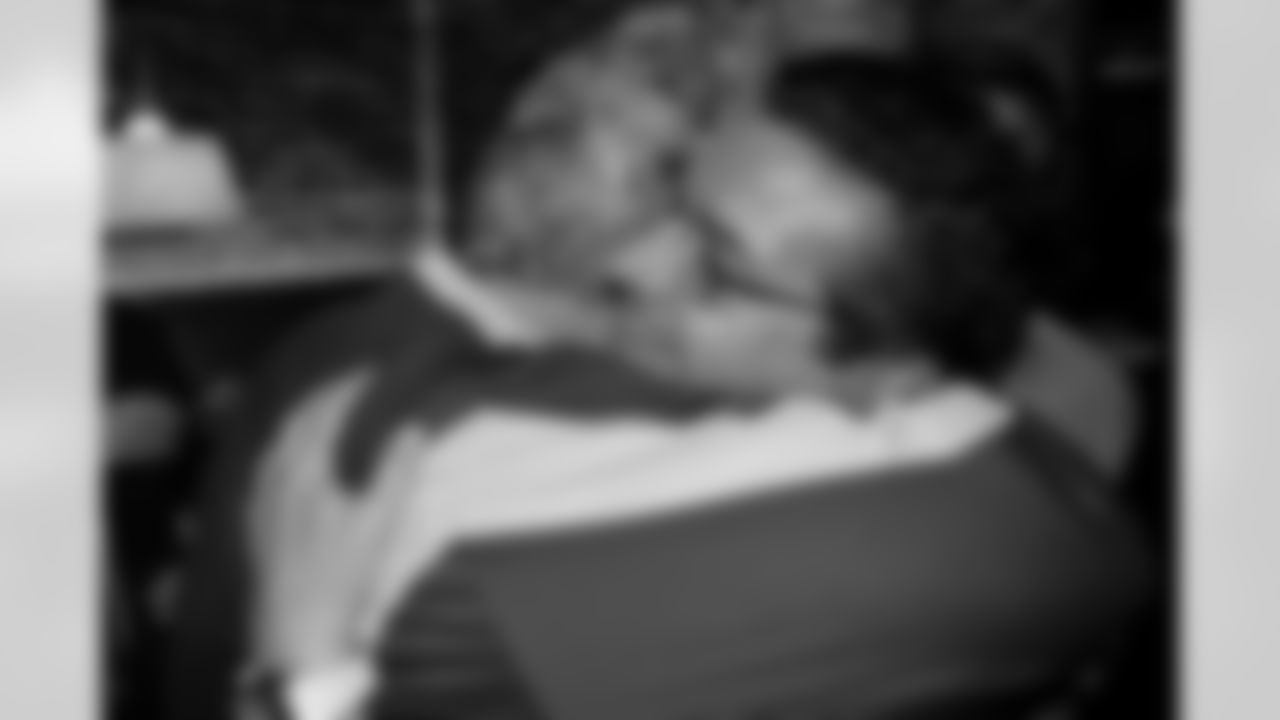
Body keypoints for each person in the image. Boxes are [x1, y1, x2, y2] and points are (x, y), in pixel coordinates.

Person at [166, 54, 1151, 720]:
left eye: (717, 261)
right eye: (670, 189)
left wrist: (298, 674)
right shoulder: (416, 406)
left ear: (867, 361)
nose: (631, 259)